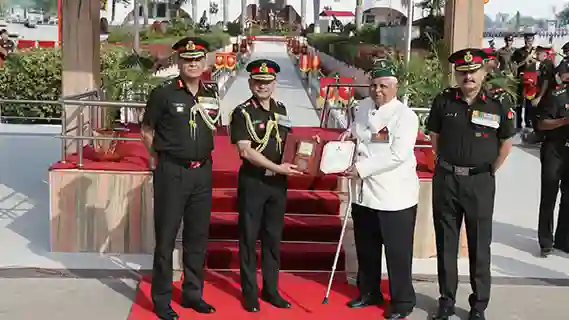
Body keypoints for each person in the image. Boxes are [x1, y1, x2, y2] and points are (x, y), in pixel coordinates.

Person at [426, 49, 516, 320]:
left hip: (479, 182)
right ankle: (446, 300)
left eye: (474, 71)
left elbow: (505, 144)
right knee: (446, 243)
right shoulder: (444, 101)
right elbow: (434, 136)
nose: (469, 77)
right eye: (463, 72)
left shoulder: (498, 103)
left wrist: (484, 171)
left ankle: (478, 305)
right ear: (457, 74)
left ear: (484, 73)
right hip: (447, 180)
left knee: (479, 245)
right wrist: (450, 165)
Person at [141, 37, 220, 320]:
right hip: (172, 173)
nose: (193, 64)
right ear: (179, 62)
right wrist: (160, 157)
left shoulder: (211, 92)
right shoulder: (163, 94)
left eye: (198, 59)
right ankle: (161, 299)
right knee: (165, 239)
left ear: (204, 62)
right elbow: (147, 129)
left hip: (202, 172)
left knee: (197, 237)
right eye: (187, 60)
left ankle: (192, 294)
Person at [340, 59, 419, 320]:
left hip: (394, 195)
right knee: (367, 247)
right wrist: (343, 143)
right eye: (373, 85)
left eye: (383, 86)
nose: (377, 91)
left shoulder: (405, 116)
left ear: (395, 87)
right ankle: (369, 291)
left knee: (397, 253)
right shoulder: (362, 107)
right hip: (364, 193)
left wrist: (361, 169)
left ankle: (402, 302)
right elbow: (356, 133)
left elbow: (398, 154)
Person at [229, 59, 299, 313]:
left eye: (267, 82)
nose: (263, 86)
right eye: (258, 82)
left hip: (277, 184)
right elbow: (245, 151)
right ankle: (249, 292)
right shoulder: (242, 112)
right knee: (248, 237)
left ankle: (271, 289)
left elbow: (289, 141)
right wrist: (278, 167)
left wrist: (306, 149)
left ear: (274, 83)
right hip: (254, 181)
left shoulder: (281, 108)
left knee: (272, 238)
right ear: (250, 83)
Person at [535, 59, 569, 257]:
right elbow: (541, 124)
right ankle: (545, 241)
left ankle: (563, 239)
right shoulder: (557, 96)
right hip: (554, 151)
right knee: (549, 196)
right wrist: (564, 121)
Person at [513, 32, 538, 129]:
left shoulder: (536, 51)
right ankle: (518, 122)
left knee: (529, 101)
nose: (529, 42)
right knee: (519, 102)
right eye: (527, 40)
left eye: (531, 40)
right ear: (525, 40)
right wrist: (527, 59)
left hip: (532, 79)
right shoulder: (519, 52)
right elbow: (516, 64)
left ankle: (528, 121)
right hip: (521, 78)